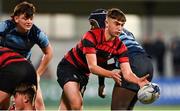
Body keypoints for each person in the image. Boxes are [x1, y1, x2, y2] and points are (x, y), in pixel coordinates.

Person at [56, 8, 149, 110]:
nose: (119, 28)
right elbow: (93, 67)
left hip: (84, 74)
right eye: (116, 24)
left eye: (122, 25)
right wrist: (111, 74)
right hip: (68, 66)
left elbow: (127, 74)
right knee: (77, 104)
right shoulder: (91, 36)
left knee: (66, 106)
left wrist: (138, 81)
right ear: (106, 23)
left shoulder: (120, 47)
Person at [88, 9, 153, 110]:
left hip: (133, 63)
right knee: (127, 108)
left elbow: (101, 62)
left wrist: (101, 84)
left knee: (117, 109)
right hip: (147, 63)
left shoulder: (103, 35)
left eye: (93, 24)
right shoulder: (127, 33)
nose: (92, 28)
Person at [0, 1, 53, 110]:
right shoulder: (5, 26)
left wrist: (38, 74)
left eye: (31, 19)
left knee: (39, 104)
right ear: (16, 18)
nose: (29, 22)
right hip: (6, 67)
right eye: (25, 18)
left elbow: (49, 52)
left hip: (24, 68)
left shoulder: (36, 33)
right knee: (3, 102)